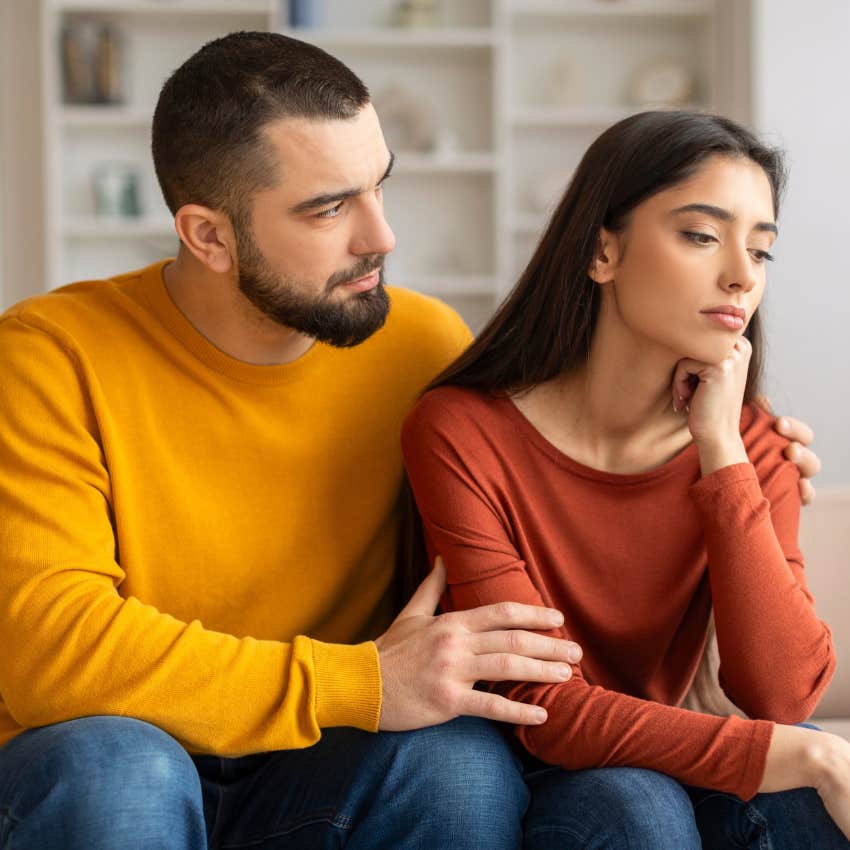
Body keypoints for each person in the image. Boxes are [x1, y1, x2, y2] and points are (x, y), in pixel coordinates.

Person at [0, 32, 819, 850]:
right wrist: (355, 681)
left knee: (458, 764)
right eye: (329, 208)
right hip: (125, 745)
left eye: (378, 188)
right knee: (121, 768)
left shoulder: (421, 347)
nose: (381, 237)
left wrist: (746, 458)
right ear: (208, 235)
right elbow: (49, 651)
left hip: (320, 757)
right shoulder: (52, 353)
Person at [401, 110, 849, 850]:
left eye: (761, 251)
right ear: (603, 251)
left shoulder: (750, 440)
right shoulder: (460, 431)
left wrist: (722, 451)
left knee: (806, 791)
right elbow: (543, 701)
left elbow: (782, 693)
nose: (741, 274)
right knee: (642, 805)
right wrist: (792, 750)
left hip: (668, 750)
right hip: (513, 763)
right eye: (701, 236)